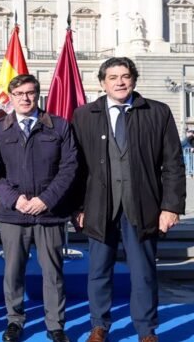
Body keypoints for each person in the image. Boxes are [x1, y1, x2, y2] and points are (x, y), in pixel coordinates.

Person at [72, 57, 186, 342]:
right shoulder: (85, 115)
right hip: (99, 207)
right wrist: (78, 207)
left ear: (134, 80)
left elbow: (173, 163)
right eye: (113, 77)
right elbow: (76, 167)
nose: (120, 82)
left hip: (144, 207)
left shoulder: (157, 112)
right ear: (102, 82)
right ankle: (99, 326)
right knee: (98, 271)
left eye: (125, 76)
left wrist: (170, 207)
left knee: (144, 273)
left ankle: (146, 330)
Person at [0, 74, 78, 342]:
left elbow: (69, 168)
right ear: (11, 97)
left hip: (49, 214)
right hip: (13, 214)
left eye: (30, 93)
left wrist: (46, 200)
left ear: (38, 94)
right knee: (12, 271)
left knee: (53, 273)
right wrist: (14, 199)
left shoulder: (59, 126)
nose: (25, 98)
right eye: (19, 94)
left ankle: (55, 325)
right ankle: (15, 320)